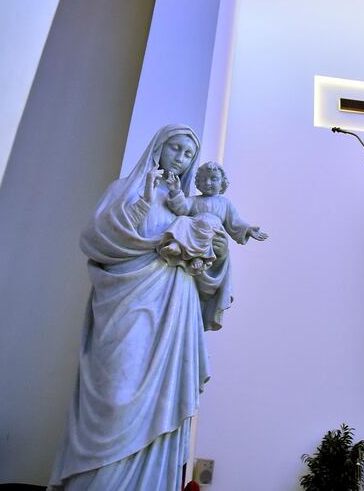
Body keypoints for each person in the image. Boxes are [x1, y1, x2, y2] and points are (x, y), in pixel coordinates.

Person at [49, 124, 234, 490]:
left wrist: (219, 253)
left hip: (175, 305)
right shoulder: (125, 191)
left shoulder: (190, 206)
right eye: (175, 148)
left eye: (187, 153)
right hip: (128, 301)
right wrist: (146, 220)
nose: (180, 158)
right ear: (158, 147)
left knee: (161, 402)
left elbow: (209, 270)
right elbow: (95, 239)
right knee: (117, 396)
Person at [159, 161, 269, 274]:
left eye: (213, 179)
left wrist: (248, 229)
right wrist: (176, 191)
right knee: (182, 220)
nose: (207, 183)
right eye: (203, 179)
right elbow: (182, 208)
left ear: (222, 183)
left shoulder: (225, 203)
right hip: (195, 227)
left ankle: (201, 258)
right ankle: (177, 244)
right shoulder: (194, 200)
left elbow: (235, 221)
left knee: (207, 227)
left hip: (212, 229)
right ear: (198, 183)